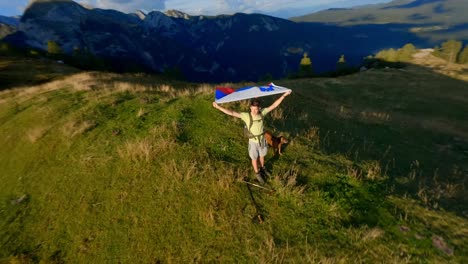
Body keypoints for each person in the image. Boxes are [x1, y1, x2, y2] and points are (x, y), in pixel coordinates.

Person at [212, 90, 292, 184]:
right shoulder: (246, 116)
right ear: (250, 108)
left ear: (259, 108)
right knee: (254, 158)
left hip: (262, 140)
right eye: (253, 109)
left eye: (256, 109)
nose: (254, 111)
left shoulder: (262, 113)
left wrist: (284, 95)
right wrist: (218, 107)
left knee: (262, 156)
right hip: (253, 142)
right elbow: (232, 113)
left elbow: (274, 105)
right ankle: (257, 173)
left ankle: (263, 168)